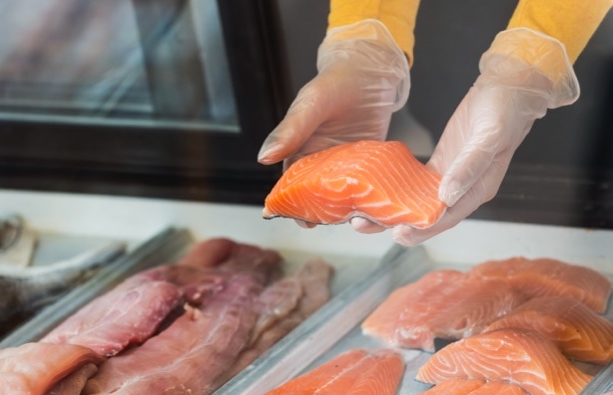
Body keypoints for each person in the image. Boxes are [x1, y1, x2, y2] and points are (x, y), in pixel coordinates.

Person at [257, 0, 613, 245]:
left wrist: (529, 67)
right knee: (466, 166)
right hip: (445, 28)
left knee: (564, 170)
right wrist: (366, 38)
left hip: (584, 35)